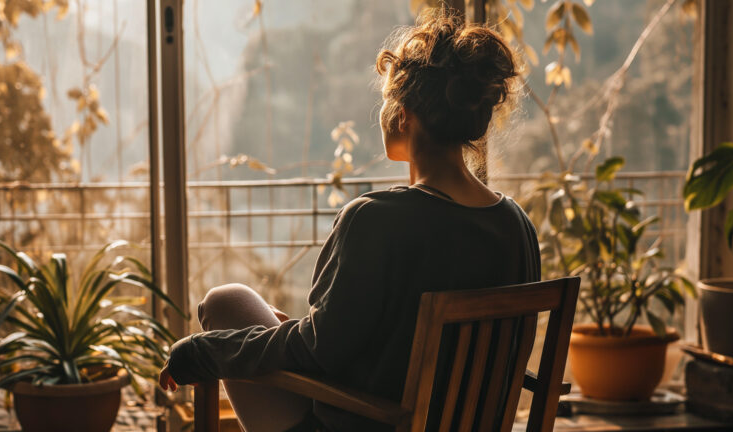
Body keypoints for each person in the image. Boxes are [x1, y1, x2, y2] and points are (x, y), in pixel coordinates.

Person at [159, 9, 540, 432]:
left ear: (404, 116)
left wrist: (203, 352)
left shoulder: (374, 220)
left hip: (369, 420)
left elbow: (318, 353)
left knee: (225, 302)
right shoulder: (515, 225)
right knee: (260, 319)